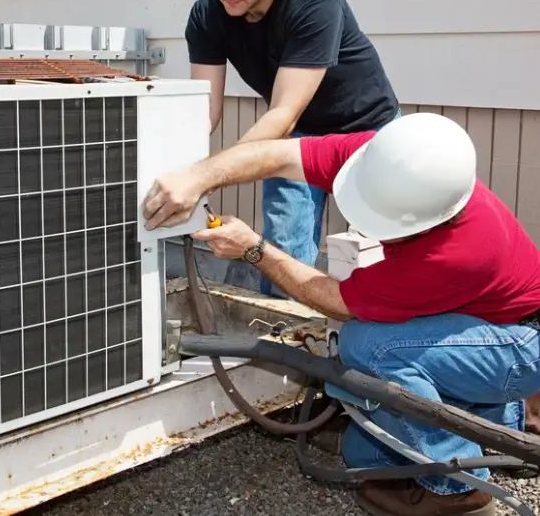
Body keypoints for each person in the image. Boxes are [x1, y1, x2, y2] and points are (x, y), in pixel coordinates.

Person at [142, 112, 540, 516]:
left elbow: (337, 302)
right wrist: (198, 177)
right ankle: (503, 426)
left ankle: (458, 488)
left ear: (426, 223)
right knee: (361, 454)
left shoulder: (458, 253)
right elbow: (276, 155)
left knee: (369, 347)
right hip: (487, 323)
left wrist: (253, 249)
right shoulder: (384, 160)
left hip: (521, 344)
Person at [185, 0, 400, 297]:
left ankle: (380, 342)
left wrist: (204, 177)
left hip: (368, 132)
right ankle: (288, 345)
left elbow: (283, 111)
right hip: (298, 137)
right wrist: (179, 168)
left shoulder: (313, 0)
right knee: (281, 249)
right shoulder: (207, 15)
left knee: (387, 246)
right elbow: (205, 110)